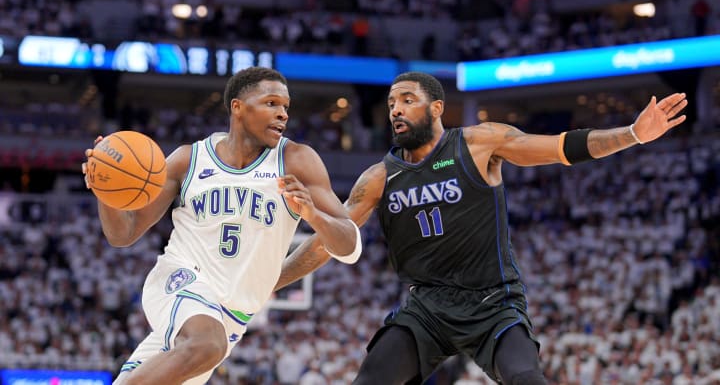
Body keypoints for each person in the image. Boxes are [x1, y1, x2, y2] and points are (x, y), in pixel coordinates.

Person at [274, 72, 687, 385]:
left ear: (436, 108)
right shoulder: (378, 177)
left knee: (527, 379)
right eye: (390, 102)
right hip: (428, 309)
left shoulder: (479, 142)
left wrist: (633, 134)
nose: (395, 109)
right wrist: (272, 280)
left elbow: (563, 148)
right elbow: (330, 242)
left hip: (493, 302)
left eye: (407, 100)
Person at [81, 67, 362, 385]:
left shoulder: (297, 160)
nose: (282, 114)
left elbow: (350, 245)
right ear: (238, 107)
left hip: (232, 317)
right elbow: (123, 234)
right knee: (206, 344)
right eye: (271, 103)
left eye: (285, 107)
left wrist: (313, 216)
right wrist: (105, 189)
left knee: (201, 348)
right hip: (180, 281)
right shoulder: (190, 160)